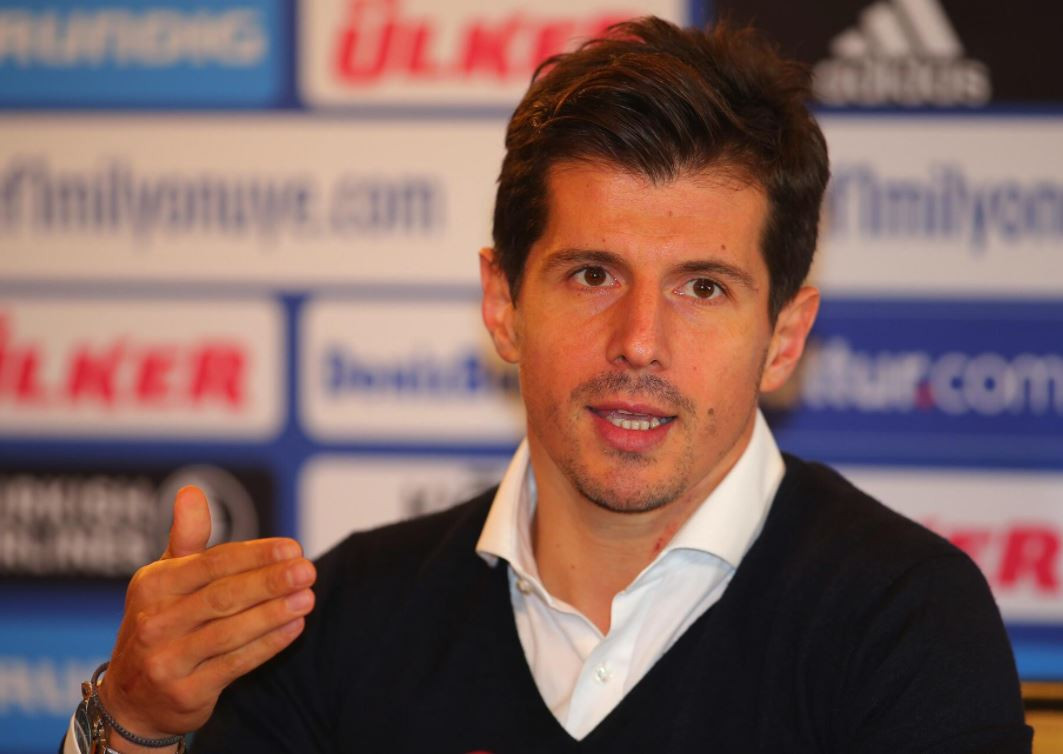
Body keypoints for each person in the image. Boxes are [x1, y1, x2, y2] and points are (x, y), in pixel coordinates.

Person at [65, 17, 1031, 753]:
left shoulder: (906, 623)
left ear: (783, 337)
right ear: (502, 304)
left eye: (702, 288)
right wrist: (134, 724)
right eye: (592, 275)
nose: (640, 343)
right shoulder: (345, 616)